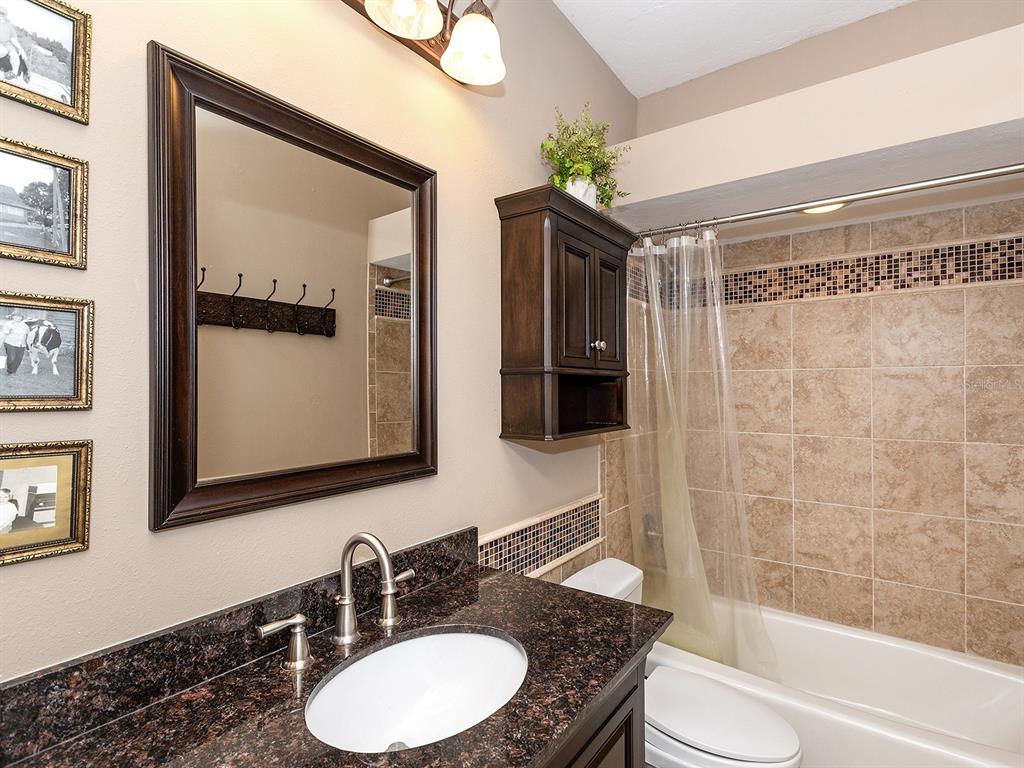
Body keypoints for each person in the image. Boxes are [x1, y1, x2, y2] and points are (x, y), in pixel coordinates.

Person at [0, 5, 30, 83]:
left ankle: (15, 74)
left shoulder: (8, 26)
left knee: (15, 55)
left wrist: (21, 49)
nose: (1, 15)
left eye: (2, 14)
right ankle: (7, 70)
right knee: (3, 51)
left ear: (4, 15)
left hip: (6, 45)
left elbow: (13, 39)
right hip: (2, 48)